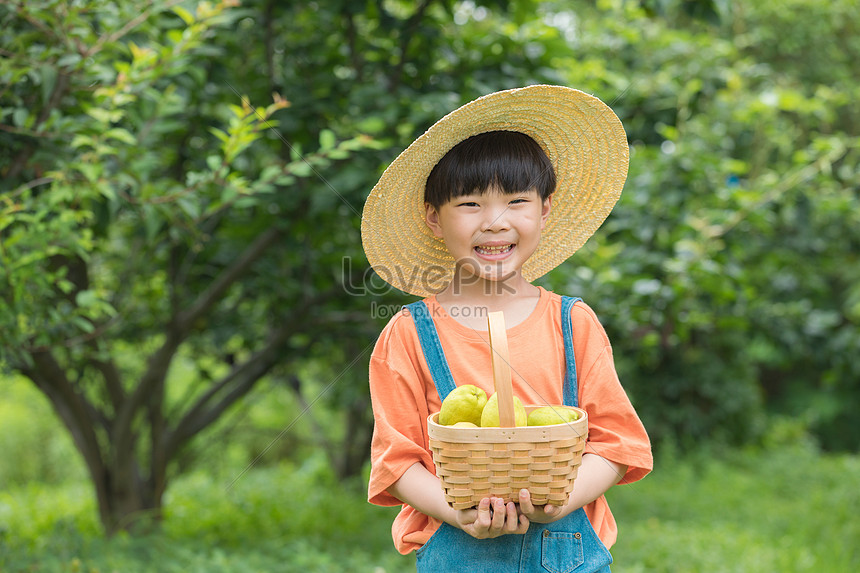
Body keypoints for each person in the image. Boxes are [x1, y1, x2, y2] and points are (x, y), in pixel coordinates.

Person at [361, 85, 653, 572]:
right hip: (457, 547)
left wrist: (560, 499)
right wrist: (459, 510)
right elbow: (396, 463)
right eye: (470, 204)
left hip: (566, 549)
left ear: (545, 209)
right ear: (434, 219)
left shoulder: (572, 323)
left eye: (517, 200)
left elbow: (616, 443)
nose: (495, 223)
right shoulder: (409, 334)